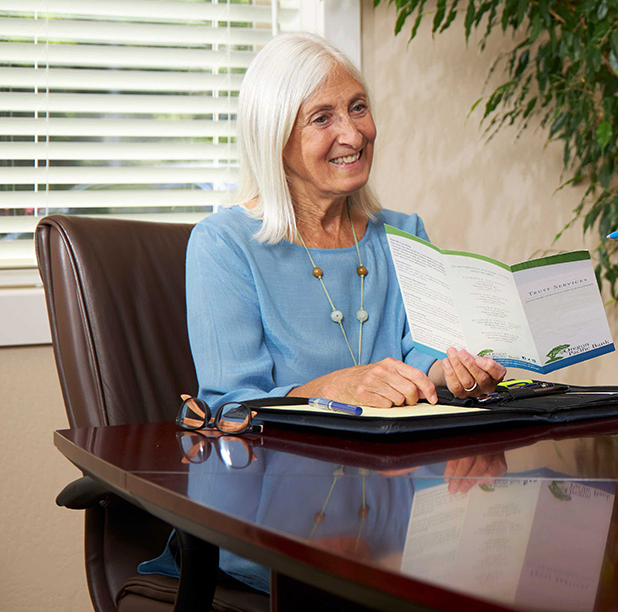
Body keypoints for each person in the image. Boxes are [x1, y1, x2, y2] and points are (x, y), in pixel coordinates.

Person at [187, 32, 505, 409]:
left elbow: (423, 359)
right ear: (274, 136)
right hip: (284, 464)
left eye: (358, 107)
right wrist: (331, 389)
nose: (353, 135)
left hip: (400, 460)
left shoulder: (405, 234)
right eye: (322, 118)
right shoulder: (224, 245)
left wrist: (459, 372)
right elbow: (230, 403)